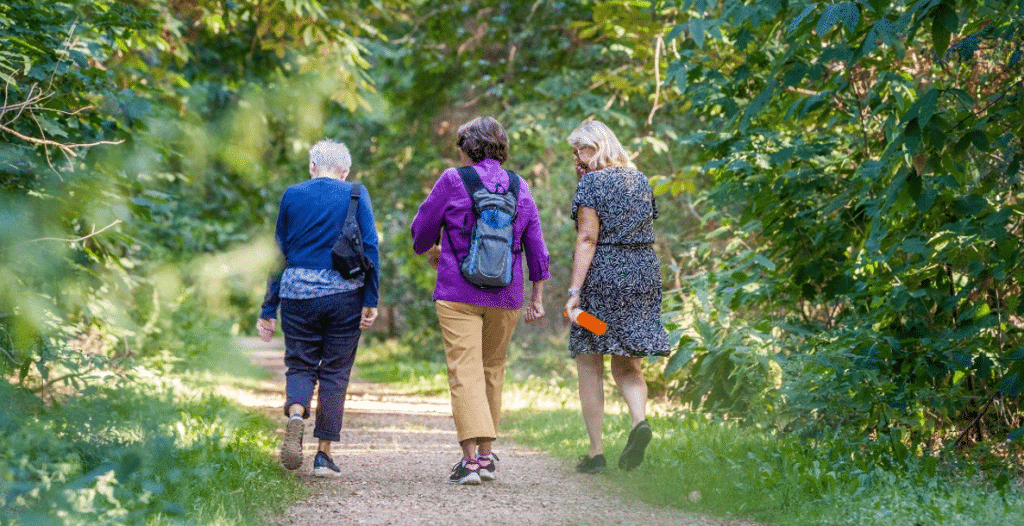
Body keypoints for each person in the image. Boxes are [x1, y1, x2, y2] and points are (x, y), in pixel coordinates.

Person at [411, 116, 550, 485]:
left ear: (467, 149)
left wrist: (433, 240)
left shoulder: (453, 180)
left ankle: (470, 463)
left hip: (458, 293)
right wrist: (537, 296)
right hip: (507, 295)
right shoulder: (520, 187)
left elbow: (421, 235)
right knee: (492, 370)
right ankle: (487, 457)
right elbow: (536, 247)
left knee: (465, 370)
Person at [257, 139, 380, 477]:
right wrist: (371, 299)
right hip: (345, 296)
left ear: (312, 167)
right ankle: (324, 455)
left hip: (297, 293)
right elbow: (370, 248)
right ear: (346, 170)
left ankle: (296, 414)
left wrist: (268, 308)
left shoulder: (292, 194)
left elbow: (278, 254)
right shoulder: (356, 193)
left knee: (300, 363)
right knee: (335, 372)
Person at [564, 120, 671, 474]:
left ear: (597, 147)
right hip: (642, 275)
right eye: (576, 152)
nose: (578, 157)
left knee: (589, 357)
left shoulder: (592, 183)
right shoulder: (639, 179)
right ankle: (639, 422)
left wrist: (574, 292)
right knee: (628, 360)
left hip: (604, 279)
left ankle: (596, 453)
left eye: (582, 149)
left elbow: (587, 239)